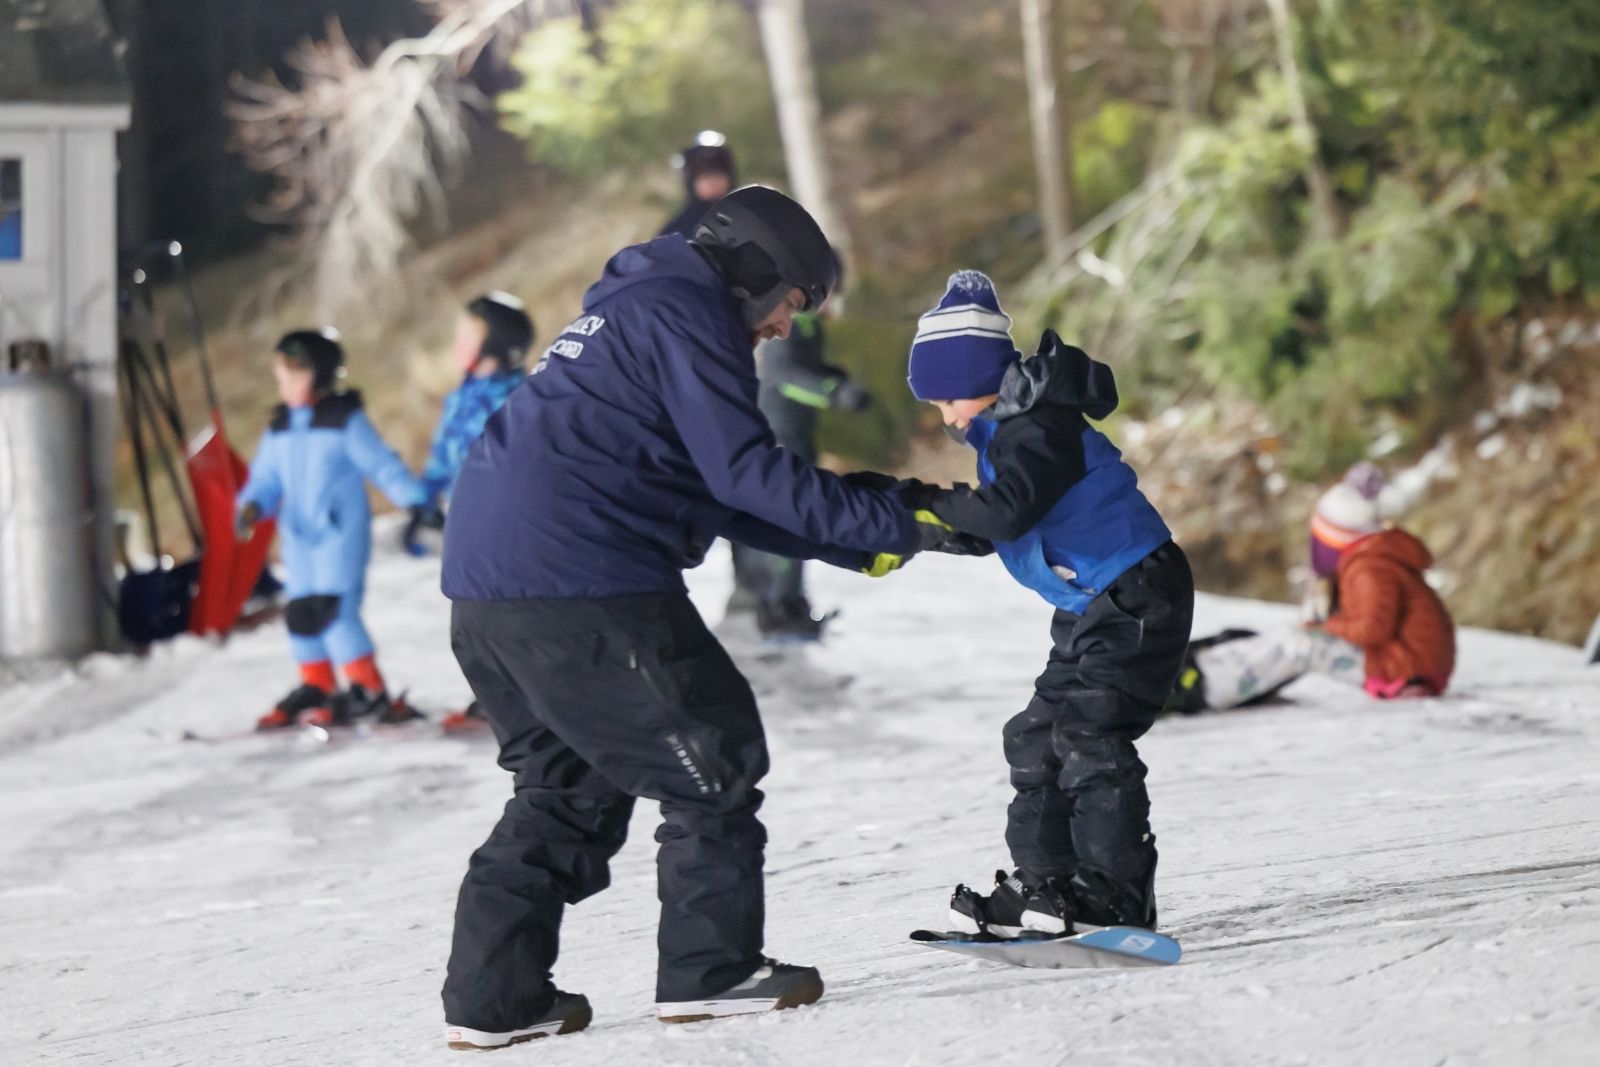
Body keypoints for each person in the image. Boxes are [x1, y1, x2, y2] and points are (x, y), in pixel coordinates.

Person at [437, 186, 969, 1050]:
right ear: (758, 273)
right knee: (711, 755)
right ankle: (710, 971)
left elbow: (707, 487)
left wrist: (871, 532)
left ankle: (493, 999)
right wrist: (894, 521)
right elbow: (748, 474)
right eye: (793, 303)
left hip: (490, 594)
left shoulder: (638, 313)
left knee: (565, 789)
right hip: (583, 583)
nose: (784, 329)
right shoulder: (684, 315)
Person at [903, 270, 1194, 937]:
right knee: (1034, 735)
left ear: (979, 378)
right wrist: (913, 528)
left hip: (1138, 590)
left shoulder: (1039, 426)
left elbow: (1007, 512)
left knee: (1088, 733)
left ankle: (1118, 895)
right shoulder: (1004, 432)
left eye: (948, 399)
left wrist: (923, 505)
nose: (947, 417)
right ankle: (1051, 886)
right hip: (1094, 601)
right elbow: (997, 524)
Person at [236, 330, 430, 730]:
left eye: (295, 375)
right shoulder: (281, 428)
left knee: (335, 611)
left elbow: (383, 465)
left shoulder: (344, 422)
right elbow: (265, 478)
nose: (285, 385)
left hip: (338, 534)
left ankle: (368, 687)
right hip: (299, 537)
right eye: (281, 377)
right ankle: (318, 685)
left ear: (321, 376)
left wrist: (416, 501)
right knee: (302, 612)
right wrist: (253, 505)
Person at [1171, 464, 1455, 710]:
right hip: (1406, 663)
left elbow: (1373, 628)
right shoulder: (1369, 559)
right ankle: (1218, 667)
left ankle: (1201, 687)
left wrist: (1324, 626)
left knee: (1303, 645)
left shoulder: (1369, 567)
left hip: (1405, 669)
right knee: (1295, 636)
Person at [729, 306, 875, 639]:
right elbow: (784, 376)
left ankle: (785, 602)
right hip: (779, 435)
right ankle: (775, 607)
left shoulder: (809, 326)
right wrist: (833, 392)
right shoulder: (789, 323)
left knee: (798, 517)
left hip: (796, 436)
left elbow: (808, 369)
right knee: (787, 518)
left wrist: (838, 380)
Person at [402, 291, 534, 554]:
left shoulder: (516, 404)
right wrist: (424, 502)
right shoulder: (461, 398)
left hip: (504, 531)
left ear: (495, 343)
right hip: (464, 524)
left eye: (467, 337)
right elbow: (443, 454)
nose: (456, 344)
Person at [658, 130, 737, 238]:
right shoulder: (676, 231)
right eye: (703, 173)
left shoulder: (750, 219)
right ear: (690, 178)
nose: (712, 180)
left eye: (719, 169)